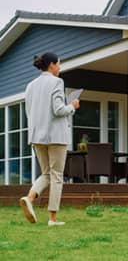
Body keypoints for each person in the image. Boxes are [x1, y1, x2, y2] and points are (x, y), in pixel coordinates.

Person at [20, 52, 80, 226]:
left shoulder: (30, 85)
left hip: (36, 136)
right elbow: (58, 109)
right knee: (56, 175)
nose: (60, 68)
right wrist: (72, 106)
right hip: (56, 136)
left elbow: (28, 112)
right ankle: (52, 219)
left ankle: (30, 198)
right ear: (52, 65)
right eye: (59, 64)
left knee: (46, 173)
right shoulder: (57, 82)